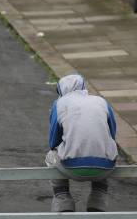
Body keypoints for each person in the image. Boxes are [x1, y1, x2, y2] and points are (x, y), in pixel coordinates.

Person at [45, 74, 118, 212]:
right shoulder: (101, 102)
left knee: (50, 156)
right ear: (83, 87)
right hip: (105, 167)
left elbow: (53, 141)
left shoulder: (59, 104)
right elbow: (112, 134)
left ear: (61, 91)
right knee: (104, 149)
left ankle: (63, 200)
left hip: (71, 167)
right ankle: (97, 201)